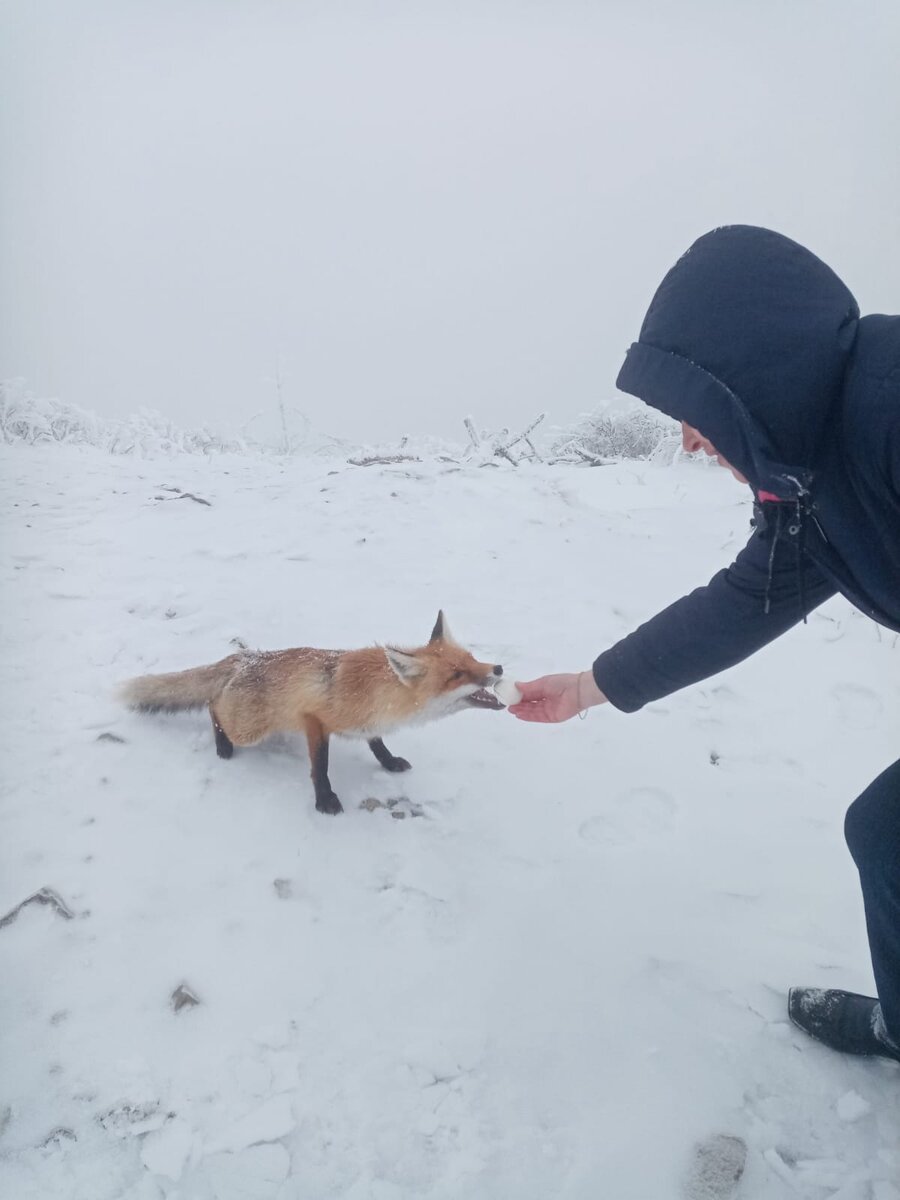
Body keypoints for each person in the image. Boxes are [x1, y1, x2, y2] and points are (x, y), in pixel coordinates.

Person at [510, 225, 900, 1063]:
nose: (687, 438)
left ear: (752, 377)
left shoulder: (891, 405)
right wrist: (590, 686)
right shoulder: (805, 479)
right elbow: (743, 602)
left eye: (695, 413)